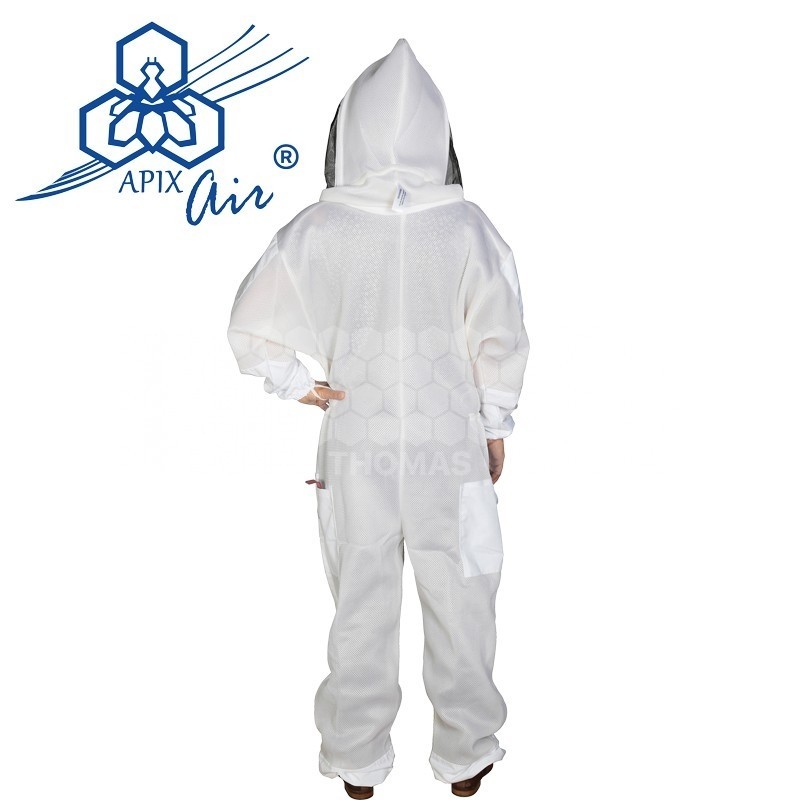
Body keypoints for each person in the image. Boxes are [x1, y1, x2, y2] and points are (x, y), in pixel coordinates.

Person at [227, 39, 529, 799]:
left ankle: (356, 760)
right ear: (438, 133)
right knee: (464, 598)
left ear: (349, 130)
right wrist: (494, 424)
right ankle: (467, 753)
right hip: (449, 446)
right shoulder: (468, 228)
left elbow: (250, 326)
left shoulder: (320, 228)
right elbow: (500, 336)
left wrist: (298, 384)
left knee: (360, 603)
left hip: (356, 444)